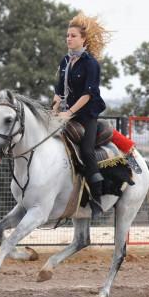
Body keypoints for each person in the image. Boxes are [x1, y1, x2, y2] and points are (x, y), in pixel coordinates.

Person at [53, 13, 107, 220]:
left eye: (73, 36)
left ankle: (97, 199)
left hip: (86, 115)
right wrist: (54, 108)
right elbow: (59, 90)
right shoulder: (65, 60)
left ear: (83, 39)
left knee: (86, 149)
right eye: (67, 35)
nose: (69, 39)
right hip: (66, 113)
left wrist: (69, 112)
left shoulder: (91, 63)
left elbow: (88, 94)